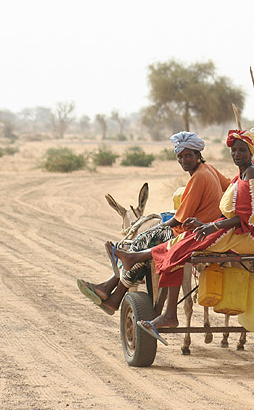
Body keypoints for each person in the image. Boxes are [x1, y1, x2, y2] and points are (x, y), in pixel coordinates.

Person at [112, 130, 254, 343]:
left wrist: (211, 226)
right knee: (181, 244)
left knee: (183, 246)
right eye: (233, 150)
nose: (237, 154)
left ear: (251, 152)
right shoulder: (240, 174)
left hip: (250, 238)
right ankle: (142, 271)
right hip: (235, 231)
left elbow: (251, 218)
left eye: (242, 150)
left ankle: (158, 295)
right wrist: (206, 224)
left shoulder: (252, 175)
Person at [77, 131, 229, 314]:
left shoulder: (198, 177)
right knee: (142, 249)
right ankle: (112, 291)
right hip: (204, 229)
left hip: (192, 233)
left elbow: (179, 219)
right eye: (179, 156)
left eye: (188, 155)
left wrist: (157, 227)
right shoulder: (209, 169)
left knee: (142, 240)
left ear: (198, 154)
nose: (183, 160)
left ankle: (113, 290)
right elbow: (229, 185)